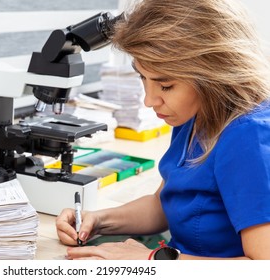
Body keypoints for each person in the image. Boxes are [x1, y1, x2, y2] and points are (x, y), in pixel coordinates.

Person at [55, 0, 270, 260]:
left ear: (214, 74)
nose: (149, 100)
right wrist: (97, 220)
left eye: (165, 86)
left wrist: (154, 260)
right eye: (142, 77)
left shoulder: (248, 137)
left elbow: (262, 266)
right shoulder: (194, 115)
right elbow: (164, 204)